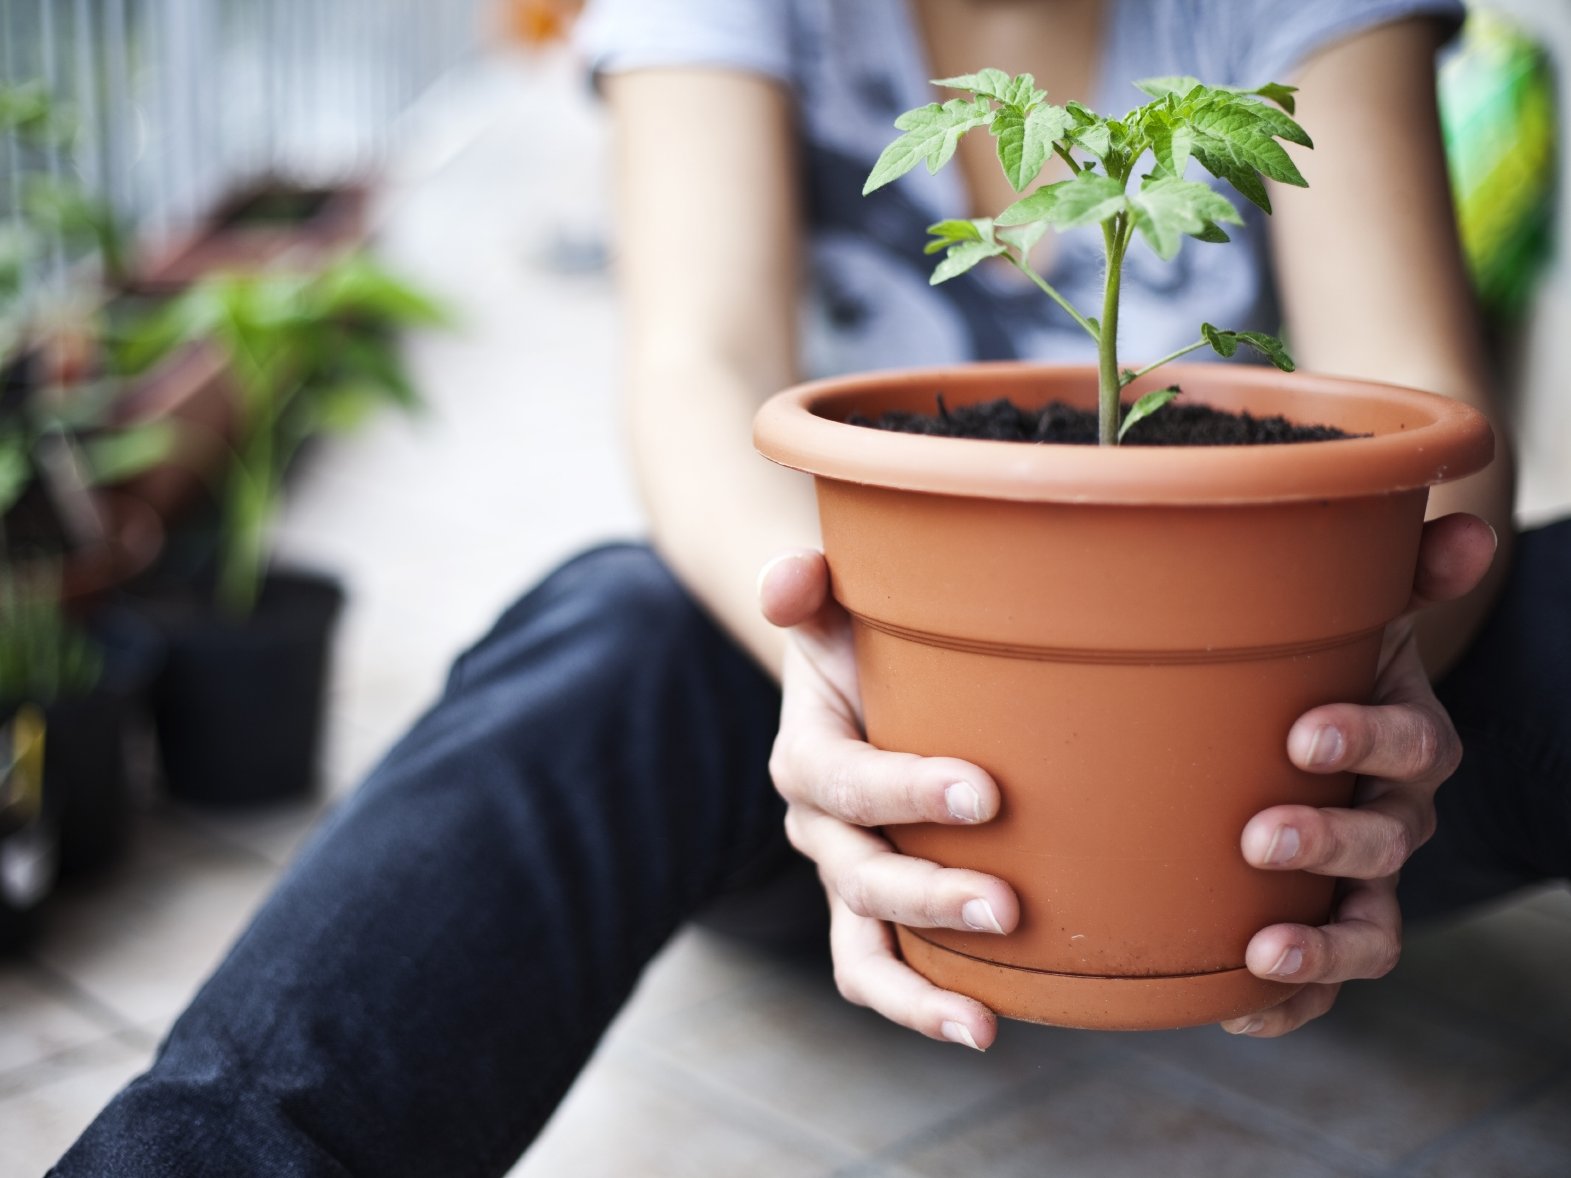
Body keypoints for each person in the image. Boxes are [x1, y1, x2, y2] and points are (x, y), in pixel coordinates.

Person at [54, 0, 1565, 1173]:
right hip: (855, 786)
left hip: (1295, 776)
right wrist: (831, 676)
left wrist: (1379, 668)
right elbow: (698, 365)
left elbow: (1420, 408)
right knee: (617, 624)